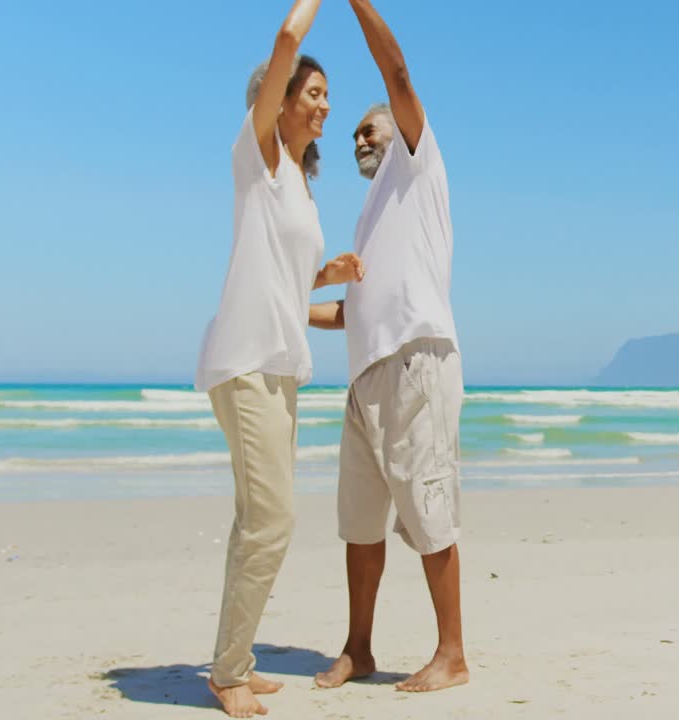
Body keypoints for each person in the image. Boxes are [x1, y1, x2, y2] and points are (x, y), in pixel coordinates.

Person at [194, 1, 365, 715]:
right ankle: (227, 672)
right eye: (314, 93)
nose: (326, 105)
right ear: (281, 98)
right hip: (245, 364)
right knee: (272, 522)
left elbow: (287, 294)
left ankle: (233, 660)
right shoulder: (257, 159)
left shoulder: (297, 182)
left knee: (256, 522)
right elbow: (288, 35)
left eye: (327, 95)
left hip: (279, 368)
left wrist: (331, 283)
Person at [312, 0, 467, 695]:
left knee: (429, 508)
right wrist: (286, 309)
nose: (357, 140)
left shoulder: (416, 162)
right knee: (360, 522)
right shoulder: (372, 213)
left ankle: (452, 654)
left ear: (397, 129)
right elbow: (353, 313)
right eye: (352, 137)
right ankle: (359, 649)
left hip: (414, 363)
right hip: (366, 375)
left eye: (365, 129)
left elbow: (397, 72)